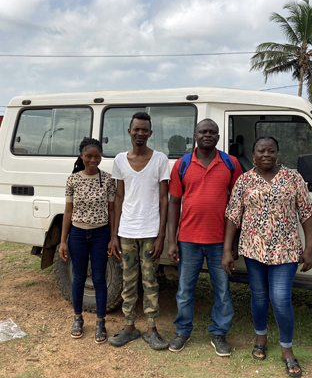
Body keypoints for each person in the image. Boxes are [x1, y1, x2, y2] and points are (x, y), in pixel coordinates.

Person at [222, 136, 312, 377]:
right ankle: (260, 337)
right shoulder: (244, 180)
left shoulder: (293, 178)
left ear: (277, 153)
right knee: (259, 296)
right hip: (254, 249)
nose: (266, 155)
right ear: (253, 155)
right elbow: (233, 216)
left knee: (281, 298)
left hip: (285, 249)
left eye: (271, 151)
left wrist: (309, 248)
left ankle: (286, 348)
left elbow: (307, 214)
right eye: (261, 151)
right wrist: (227, 250)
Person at [168, 118, 242, 356]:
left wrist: (233, 244)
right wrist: (172, 241)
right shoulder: (182, 164)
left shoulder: (231, 164)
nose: (208, 135)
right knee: (184, 289)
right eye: (203, 131)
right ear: (195, 135)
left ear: (218, 137)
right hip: (188, 239)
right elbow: (174, 203)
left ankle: (219, 333)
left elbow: (239, 204)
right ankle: (182, 331)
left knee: (222, 290)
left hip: (220, 241)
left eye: (212, 132)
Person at [108, 112, 170, 350]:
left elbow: (164, 199)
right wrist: (114, 235)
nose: (140, 133)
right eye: (137, 129)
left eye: (145, 130)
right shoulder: (120, 160)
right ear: (129, 132)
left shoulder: (160, 159)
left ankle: (152, 328)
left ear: (150, 133)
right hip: (126, 231)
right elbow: (119, 198)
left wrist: (161, 236)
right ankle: (129, 327)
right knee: (128, 280)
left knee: (151, 280)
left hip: (150, 230)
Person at [59, 137, 116, 344]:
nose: (93, 160)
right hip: (77, 234)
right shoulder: (72, 179)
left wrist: (112, 238)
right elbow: (68, 211)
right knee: (79, 278)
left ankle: (101, 322)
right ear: (81, 156)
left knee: (99, 279)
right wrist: (63, 241)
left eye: (97, 156)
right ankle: (78, 318)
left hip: (100, 235)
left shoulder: (108, 179)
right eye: (88, 156)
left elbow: (112, 210)